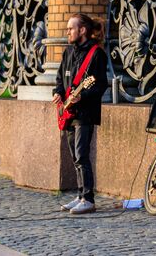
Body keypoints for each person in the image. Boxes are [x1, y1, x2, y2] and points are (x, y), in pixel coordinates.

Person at [52, 13, 108, 214]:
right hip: (68, 111)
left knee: (82, 155)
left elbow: (100, 85)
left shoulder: (96, 54)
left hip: (85, 112)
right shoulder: (68, 52)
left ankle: (89, 199)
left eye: (71, 28)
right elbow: (60, 79)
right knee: (75, 156)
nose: (68, 32)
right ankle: (80, 194)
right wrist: (58, 93)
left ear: (82, 30)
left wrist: (81, 97)